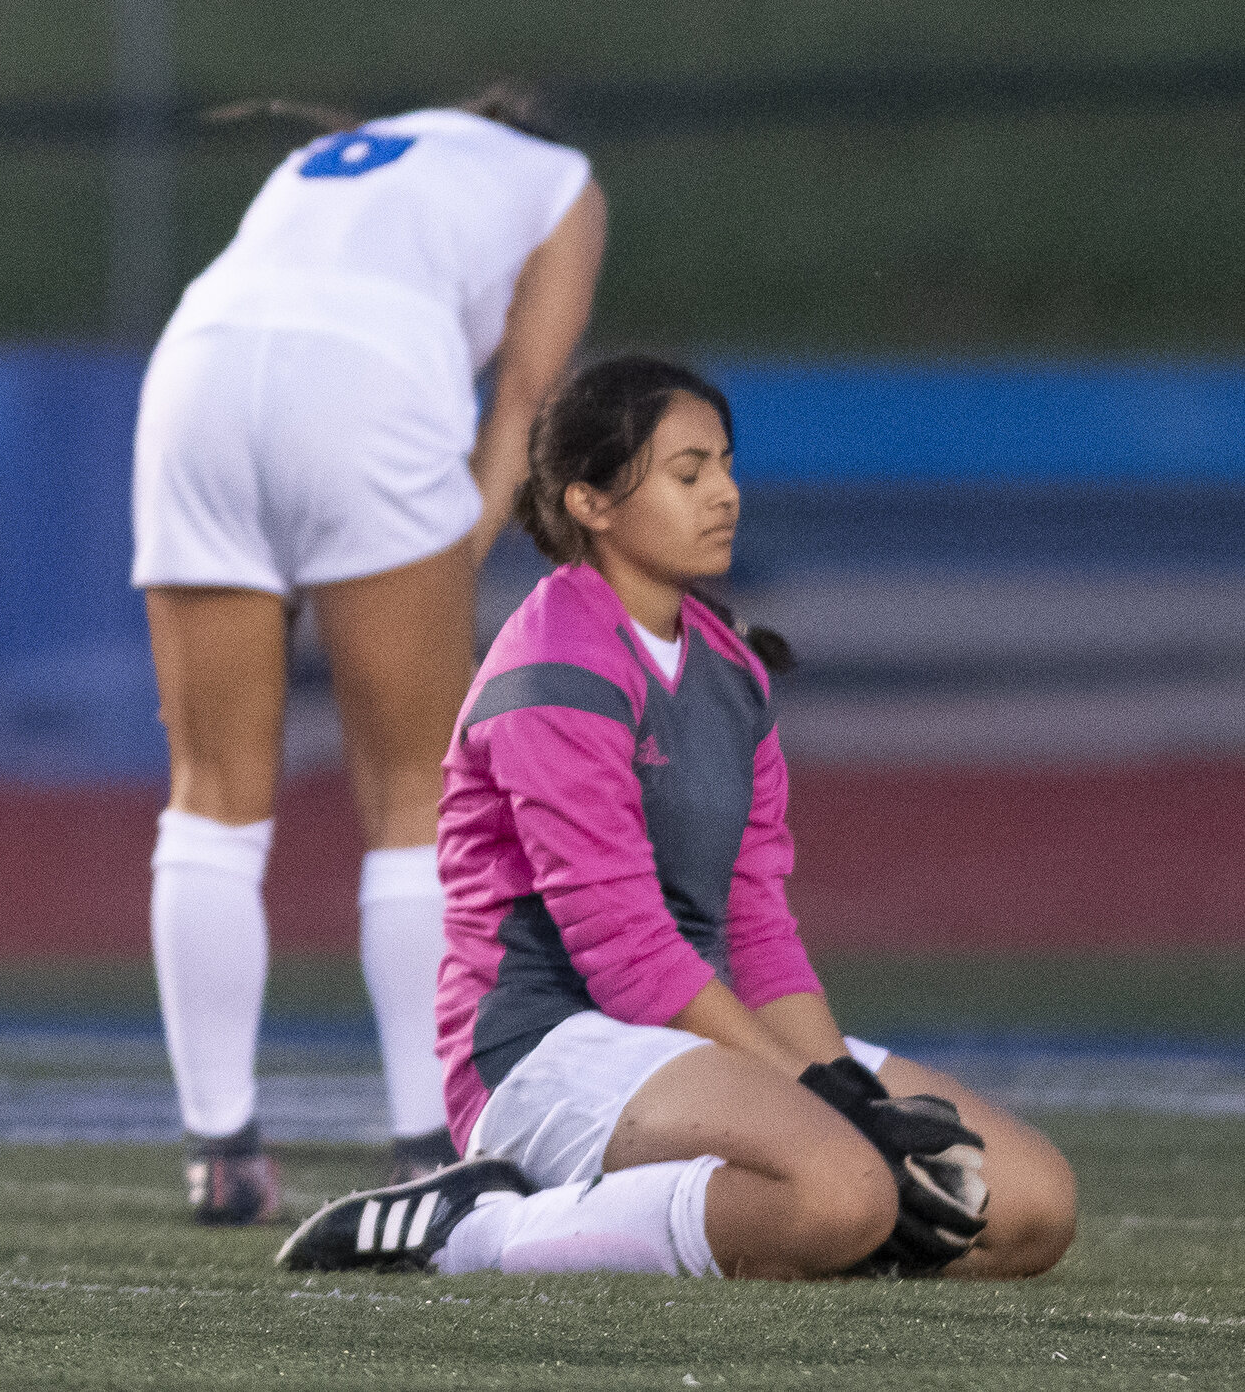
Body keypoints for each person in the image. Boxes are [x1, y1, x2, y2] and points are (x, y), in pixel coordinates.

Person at [278, 357, 1079, 1281]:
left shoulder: (731, 669)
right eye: (688, 475)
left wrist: (849, 1090)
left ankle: (784, 1233)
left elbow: (756, 926)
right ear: (590, 502)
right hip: (547, 1045)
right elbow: (625, 953)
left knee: (1026, 1206)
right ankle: (470, 1228)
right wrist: (827, 1101)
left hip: (695, 1031)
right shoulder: (554, 668)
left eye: (727, 467)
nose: (725, 495)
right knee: (842, 1193)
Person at [130, 89, 604, 1224]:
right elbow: (530, 397)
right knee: (413, 797)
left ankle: (220, 1147)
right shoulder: (561, 181)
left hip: (196, 364)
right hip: (368, 381)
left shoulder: (333, 154)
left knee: (210, 797)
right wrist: (450, 551)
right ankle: (423, 1141)